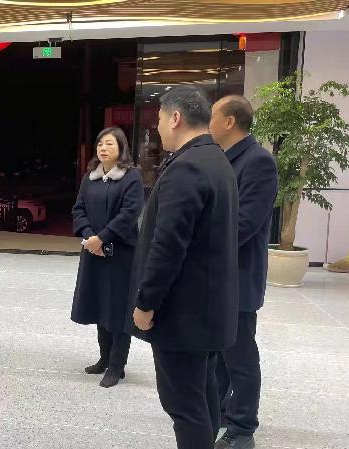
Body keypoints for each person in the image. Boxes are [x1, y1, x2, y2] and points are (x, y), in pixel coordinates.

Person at [128, 86, 239, 449]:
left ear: (175, 118)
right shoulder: (216, 159)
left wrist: (146, 303)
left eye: (160, 119)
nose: (158, 127)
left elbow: (168, 246)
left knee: (184, 406)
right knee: (203, 396)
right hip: (207, 309)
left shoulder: (187, 167)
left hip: (183, 313)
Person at [209, 95, 278, 449]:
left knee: (240, 356)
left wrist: (196, 240)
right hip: (216, 275)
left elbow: (244, 224)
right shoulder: (222, 158)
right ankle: (221, 413)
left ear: (229, 121)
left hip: (238, 276)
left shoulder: (258, 161)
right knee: (220, 352)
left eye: (213, 116)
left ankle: (243, 427)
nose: (208, 123)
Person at [70, 127, 144, 388]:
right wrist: (89, 236)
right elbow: (78, 209)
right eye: (100, 143)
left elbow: (129, 213)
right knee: (100, 304)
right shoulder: (90, 177)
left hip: (121, 254)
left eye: (109, 144)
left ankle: (116, 365)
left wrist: (102, 238)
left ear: (121, 148)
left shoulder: (131, 177)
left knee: (119, 309)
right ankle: (104, 358)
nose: (103, 148)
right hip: (94, 251)